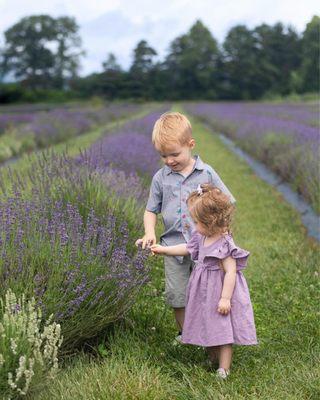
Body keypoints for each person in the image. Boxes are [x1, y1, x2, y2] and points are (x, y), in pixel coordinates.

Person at [135, 112, 235, 343]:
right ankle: (186, 334)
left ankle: (211, 332)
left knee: (208, 290)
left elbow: (227, 202)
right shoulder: (161, 178)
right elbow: (151, 209)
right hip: (173, 246)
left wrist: (223, 231)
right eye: (163, 156)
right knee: (177, 294)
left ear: (190, 145)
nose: (169, 160)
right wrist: (149, 232)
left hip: (206, 245)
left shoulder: (206, 173)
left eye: (175, 154)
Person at [150, 184, 258, 379]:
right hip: (203, 291)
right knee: (207, 323)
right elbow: (186, 248)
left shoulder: (224, 243)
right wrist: (164, 250)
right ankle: (212, 357)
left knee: (223, 328)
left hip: (219, 291)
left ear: (211, 222)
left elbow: (231, 272)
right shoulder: (200, 236)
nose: (194, 226)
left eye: (197, 222)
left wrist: (225, 298)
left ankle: (223, 368)